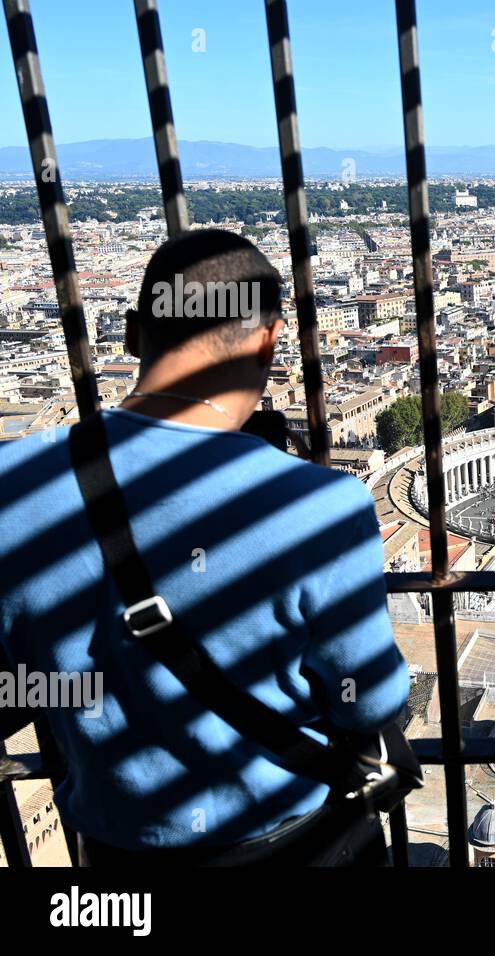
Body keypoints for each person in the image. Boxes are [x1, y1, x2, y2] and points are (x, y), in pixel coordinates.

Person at [0, 229, 410, 865]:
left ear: (134, 334)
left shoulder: (12, 487)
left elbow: (14, 688)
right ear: (269, 342)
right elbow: (370, 701)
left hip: (116, 858)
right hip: (295, 845)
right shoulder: (320, 505)